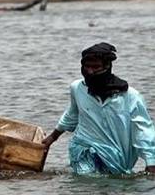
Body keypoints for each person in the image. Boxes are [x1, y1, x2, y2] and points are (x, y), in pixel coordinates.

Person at [42, 42, 155, 175]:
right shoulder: (77, 88)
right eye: (86, 66)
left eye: (96, 67)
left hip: (116, 155)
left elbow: (143, 130)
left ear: (107, 67)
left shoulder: (130, 97)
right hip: (83, 147)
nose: (90, 71)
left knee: (111, 183)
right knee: (87, 179)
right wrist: (52, 138)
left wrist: (151, 162)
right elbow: (72, 114)